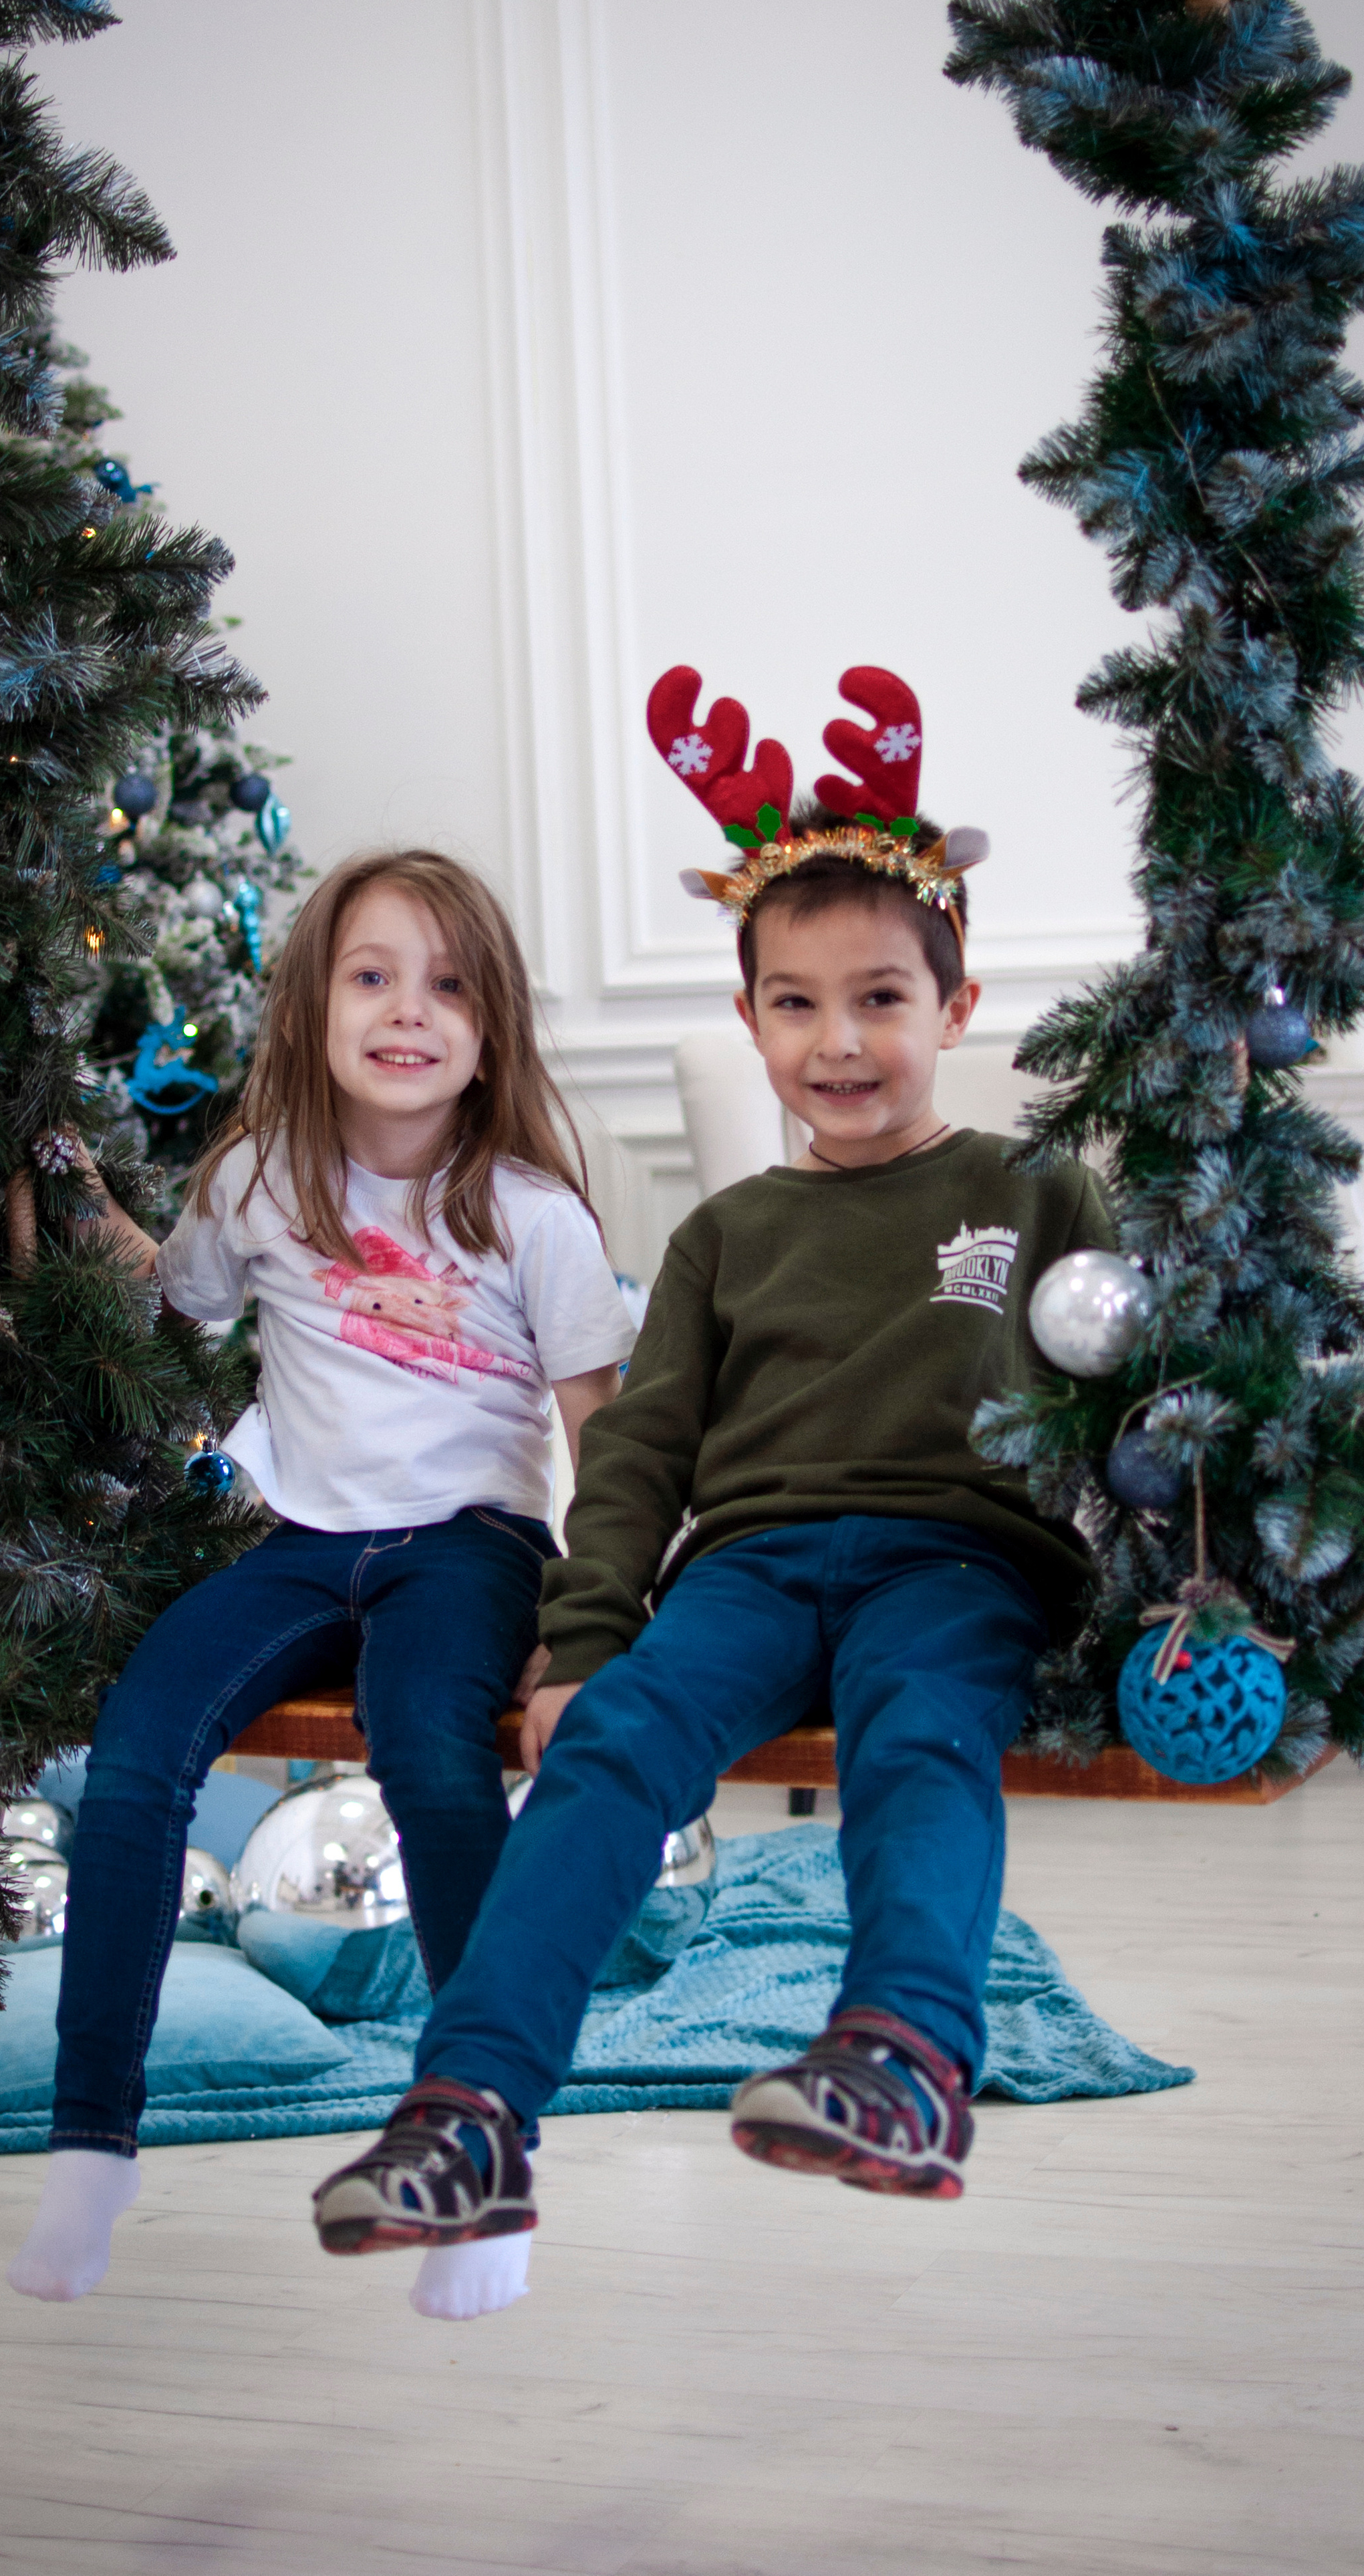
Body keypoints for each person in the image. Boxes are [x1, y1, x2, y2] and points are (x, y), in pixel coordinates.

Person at [308, 666, 1116, 2299]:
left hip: (957, 1564)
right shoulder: (725, 1234)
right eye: (796, 1005)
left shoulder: (1034, 1191)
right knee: (610, 1745)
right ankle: (469, 2112)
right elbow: (637, 1451)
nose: (839, 1041)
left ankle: (901, 2058)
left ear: (953, 1007)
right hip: (746, 1568)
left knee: (919, 1738)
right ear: (750, 1025)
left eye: (879, 998)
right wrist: (586, 1638)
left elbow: (1133, 1397)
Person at [7, 849, 635, 2312]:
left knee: (431, 1753)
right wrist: (68, 1191)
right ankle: (90, 2145)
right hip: (296, 1545)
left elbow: (605, 1441)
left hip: (468, 1545)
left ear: (490, 1031)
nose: (409, 1009)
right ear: (312, 1005)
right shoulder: (259, 1179)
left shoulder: (533, 1215)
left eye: (448, 985)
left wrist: (587, 1629)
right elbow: (173, 1291)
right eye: (372, 975)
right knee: (136, 1751)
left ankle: (484, 2150)